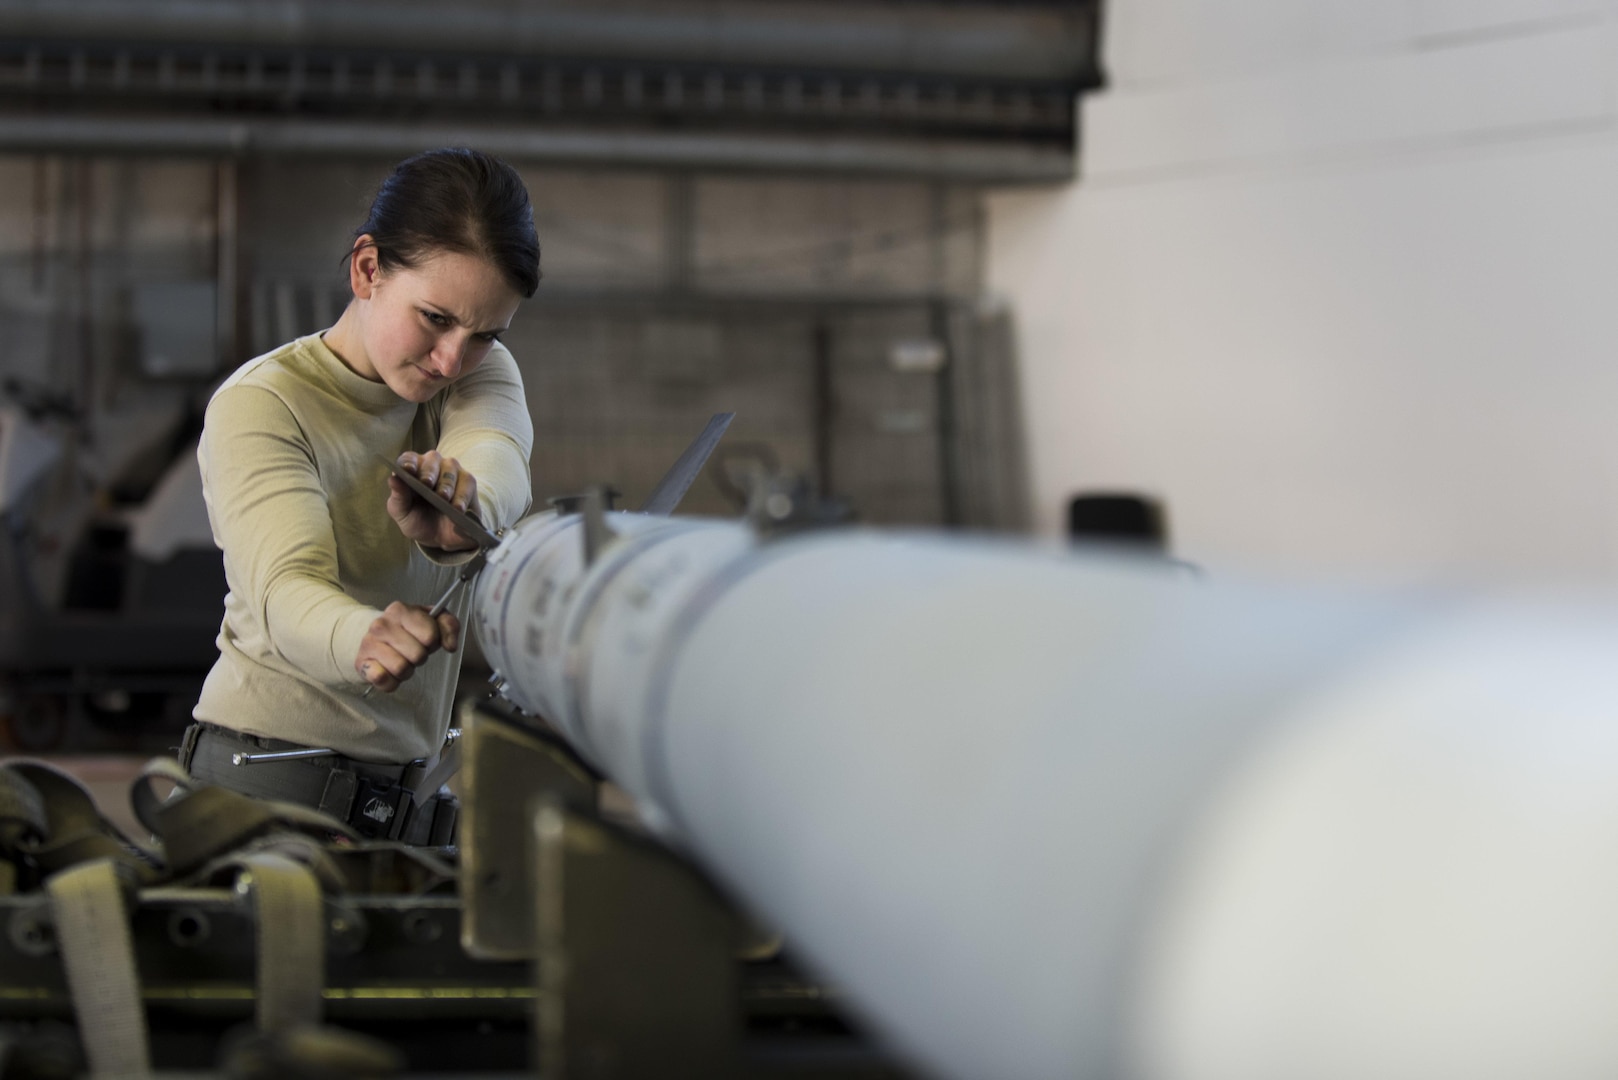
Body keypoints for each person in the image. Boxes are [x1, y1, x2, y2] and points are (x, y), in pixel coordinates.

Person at [177, 148, 538, 844]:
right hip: (266, 788)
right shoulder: (264, 404)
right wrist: (363, 636)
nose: (450, 360)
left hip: (408, 804)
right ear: (367, 269)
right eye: (433, 318)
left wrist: (469, 514)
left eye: (485, 334)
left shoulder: (477, 370)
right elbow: (287, 589)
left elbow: (497, 455)